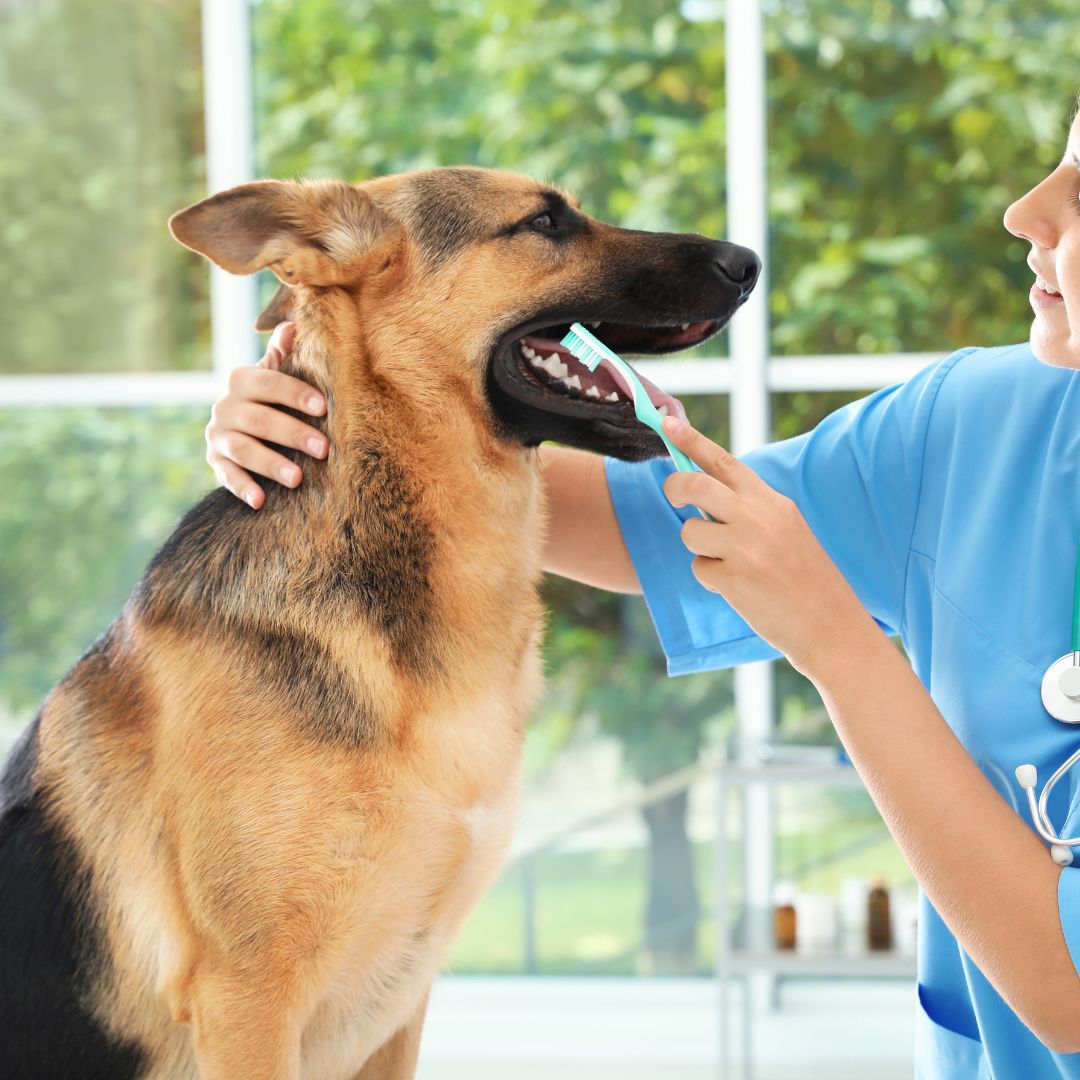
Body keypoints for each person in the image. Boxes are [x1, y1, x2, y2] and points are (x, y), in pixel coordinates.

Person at [204, 111, 1080, 1075]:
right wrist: (328, 423)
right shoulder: (976, 428)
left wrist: (834, 644)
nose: (1024, 210)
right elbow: (645, 519)